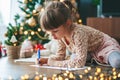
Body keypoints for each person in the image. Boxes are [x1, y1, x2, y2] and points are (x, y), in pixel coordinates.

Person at [38, 1, 120, 68]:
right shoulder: (60, 36)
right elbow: (60, 56)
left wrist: (53, 63)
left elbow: (79, 63)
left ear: (68, 23)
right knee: (74, 58)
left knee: (117, 62)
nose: (52, 36)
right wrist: (47, 60)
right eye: (49, 32)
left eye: (55, 31)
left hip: (104, 46)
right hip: (89, 52)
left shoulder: (78, 33)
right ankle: (93, 59)